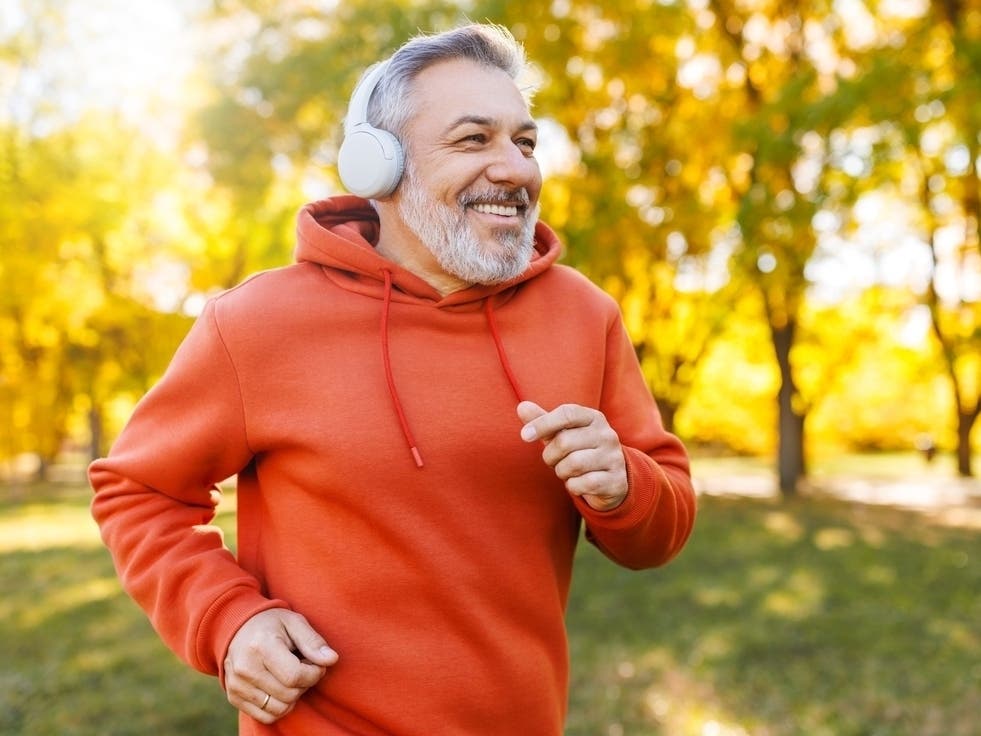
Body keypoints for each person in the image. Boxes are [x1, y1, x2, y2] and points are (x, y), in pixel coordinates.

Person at [89, 22, 696, 736]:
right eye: (474, 140)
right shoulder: (256, 321)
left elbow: (658, 532)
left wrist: (623, 484)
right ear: (378, 165)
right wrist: (227, 620)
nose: (516, 169)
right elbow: (139, 491)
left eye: (524, 142)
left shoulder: (583, 315)